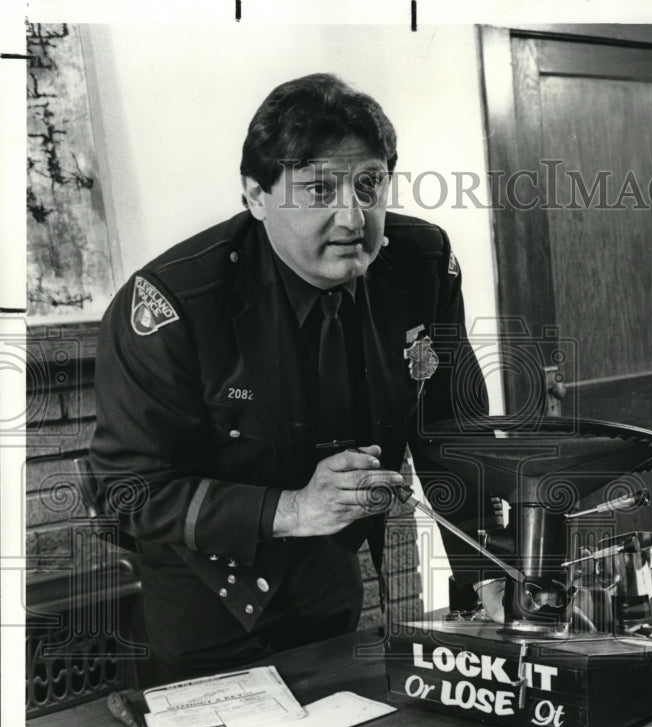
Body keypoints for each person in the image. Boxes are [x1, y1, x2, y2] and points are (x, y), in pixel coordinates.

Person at [89, 73, 494, 683]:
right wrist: (293, 509)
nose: (352, 216)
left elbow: (453, 437)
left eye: (369, 184)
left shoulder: (422, 263)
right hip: (206, 602)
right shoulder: (174, 303)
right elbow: (126, 491)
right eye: (317, 189)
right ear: (256, 195)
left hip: (330, 578)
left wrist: (489, 576)